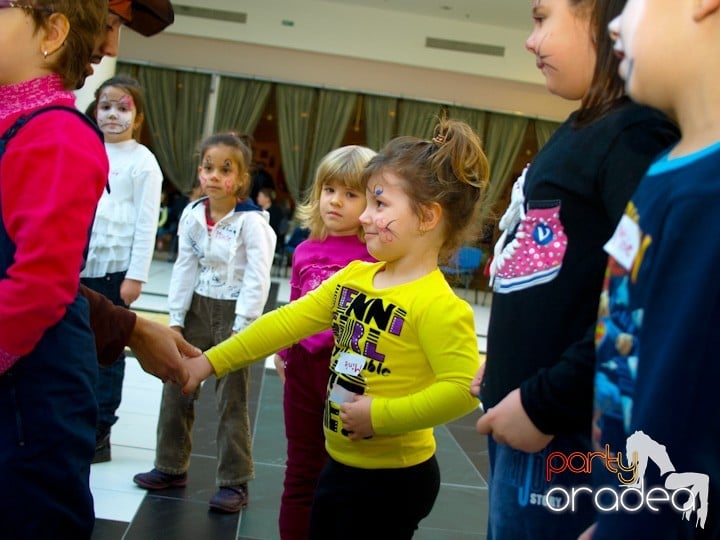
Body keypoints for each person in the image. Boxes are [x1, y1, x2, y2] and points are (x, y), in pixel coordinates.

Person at [181, 118, 489, 539]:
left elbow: (459, 392)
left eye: (379, 204)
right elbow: (285, 323)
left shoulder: (439, 305)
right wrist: (209, 364)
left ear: (427, 217)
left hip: (393, 482)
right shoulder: (355, 277)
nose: (363, 215)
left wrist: (379, 416)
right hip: (340, 463)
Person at [470, 0, 680, 538]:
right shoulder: (582, 129)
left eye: (542, 18)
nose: (530, 40)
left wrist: (544, 401)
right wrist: (507, 367)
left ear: (605, 20)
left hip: (562, 431)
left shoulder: (634, 135)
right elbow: (557, 283)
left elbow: (645, 299)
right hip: (527, 414)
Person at [580, 1, 720, 538]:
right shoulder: (668, 167)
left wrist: (634, 524)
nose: (613, 22)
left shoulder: (706, 196)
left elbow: (684, 402)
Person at [0, 1, 112, 537]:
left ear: (53, 31)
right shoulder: (13, 119)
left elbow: (39, 286)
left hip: (30, 390)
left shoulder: (56, 134)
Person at [133, 132, 277, 514]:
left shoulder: (252, 223)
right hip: (197, 307)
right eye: (208, 167)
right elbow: (184, 265)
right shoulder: (193, 213)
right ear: (200, 171)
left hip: (233, 313)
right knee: (176, 382)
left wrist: (243, 324)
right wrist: (175, 319)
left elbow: (257, 277)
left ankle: (234, 481)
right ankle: (170, 465)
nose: (214, 175)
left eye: (225, 169)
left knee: (231, 397)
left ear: (242, 178)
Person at [272, 145, 377, 540]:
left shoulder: (375, 254)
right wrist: (284, 351)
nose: (336, 201)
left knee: (346, 471)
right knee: (300, 469)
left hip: (350, 374)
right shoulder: (305, 250)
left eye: (351, 194)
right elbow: (297, 303)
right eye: (330, 189)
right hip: (302, 372)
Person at [81, 74, 163, 464]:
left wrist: (136, 276)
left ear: (138, 116)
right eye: (106, 106)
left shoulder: (143, 161)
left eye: (123, 107)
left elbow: (148, 222)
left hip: (115, 271)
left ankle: (101, 429)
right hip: (77, 262)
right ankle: (76, 419)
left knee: (108, 348)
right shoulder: (83, 145)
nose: (113, 115)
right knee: (75, 345)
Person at [257, 186, 288, 255]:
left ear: (267, 199)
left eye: (260, 196)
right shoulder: (258, 210)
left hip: (271, 239)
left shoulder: (275, 212)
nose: (258, 198)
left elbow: (273, 229)